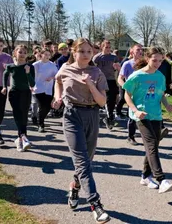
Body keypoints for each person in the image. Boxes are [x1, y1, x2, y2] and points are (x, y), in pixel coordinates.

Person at [53, 38, 110, 223]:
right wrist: (58, 97)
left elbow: (102, 102)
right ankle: (96, 204)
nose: (85, 55)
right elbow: (58, 81)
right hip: (71, 116)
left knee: (87, 160)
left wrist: (90, 84)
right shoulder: (65, 69)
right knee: (82, 162)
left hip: (92, 116)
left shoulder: (96, 72)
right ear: (74, 52)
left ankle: (75, 187)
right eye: (81, 51)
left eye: (88, 52)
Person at [123, 47, 172, 193]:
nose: (157, 63)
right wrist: (135, 110)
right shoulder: (137, 76)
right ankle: (161, 179)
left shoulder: (160, 76)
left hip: (156, 115)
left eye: (160, 60)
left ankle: (145, 176)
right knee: (151, 144)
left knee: (152, 146)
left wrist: (167, 104)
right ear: (147, 58)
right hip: (141, 115)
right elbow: (127, 95)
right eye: (154, 60)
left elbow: (161, 94)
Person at [2, 45, 35, 152]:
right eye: (20, 52)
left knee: (24, 115)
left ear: (27, 54)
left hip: (26, 93)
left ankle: (20, 139)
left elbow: (32, 83)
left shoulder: (30, 67)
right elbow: (5, 74)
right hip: (14, 93)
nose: (22, 54)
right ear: (15, 53)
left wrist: (28, 73)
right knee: (17, 115)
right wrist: (4, 87)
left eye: (24, 52)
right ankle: (23, 138)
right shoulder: (11, 66)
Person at [118, 44, 143, 145]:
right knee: (133, 115)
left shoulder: (145, 64)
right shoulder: (127, 64)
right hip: (132, 94)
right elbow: (120, 78)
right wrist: (126, 87)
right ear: (132, 52)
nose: (140, 52)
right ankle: (130, 136)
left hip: (143, 93)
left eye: (141, 50)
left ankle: (148, 135)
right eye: (138, 50)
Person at [93, 40, 120, 130]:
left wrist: (117, 68)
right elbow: (92, 69)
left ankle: (109, 118)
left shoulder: (114, 57)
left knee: (111, 101)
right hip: (101, 80)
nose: (108, 49)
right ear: (102, 47)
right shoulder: (97, 57)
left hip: (111, 80)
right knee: (102, 100)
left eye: (109, 47)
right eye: (106, 47)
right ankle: (105, 118)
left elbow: (118, 69)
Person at [33, 49, 58, 132]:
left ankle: (39, 118)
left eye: (49, 55)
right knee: (41, 106)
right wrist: (30, 85)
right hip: (38, 89)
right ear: (41, 55)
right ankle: (41, 125)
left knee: (47, 108)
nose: (47, 56)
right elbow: (29, 75)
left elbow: (57, 75)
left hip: (48, 89)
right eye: (46, 54)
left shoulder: (52, 65)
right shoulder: (36, 65)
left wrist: (52, 78)